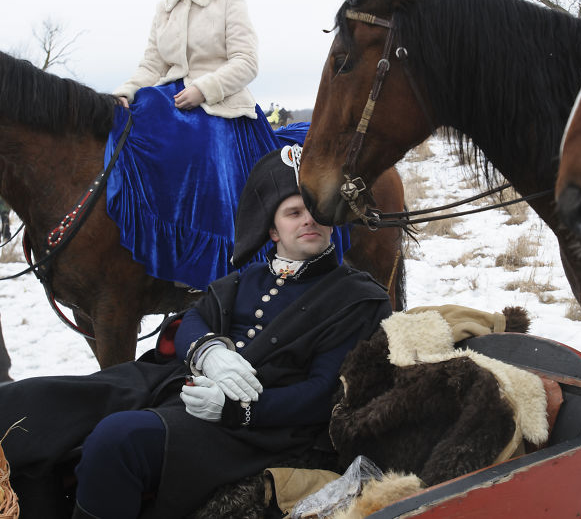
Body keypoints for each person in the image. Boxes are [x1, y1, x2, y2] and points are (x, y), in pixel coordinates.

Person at [0, 146, 393, 519]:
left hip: (258, 429)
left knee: (118, 440)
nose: (308, 219)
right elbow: (194, 320)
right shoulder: (248, 278)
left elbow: (322, 392)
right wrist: (208, 351)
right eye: (293, 212)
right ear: (272, 231)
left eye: (315, 211)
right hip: (171, 381)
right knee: (24, 402)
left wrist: (240, 410)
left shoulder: (357, 298)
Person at [106, 0, 280, 289]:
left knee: (200, 148)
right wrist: (125, 91)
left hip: (222, 104)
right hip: (170, 98)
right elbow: (151, 64)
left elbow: (246, 62)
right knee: (131, 132)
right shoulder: (164, 7)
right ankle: (158, 243)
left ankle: (219, 260)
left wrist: (204, 89)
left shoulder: (229, 0)